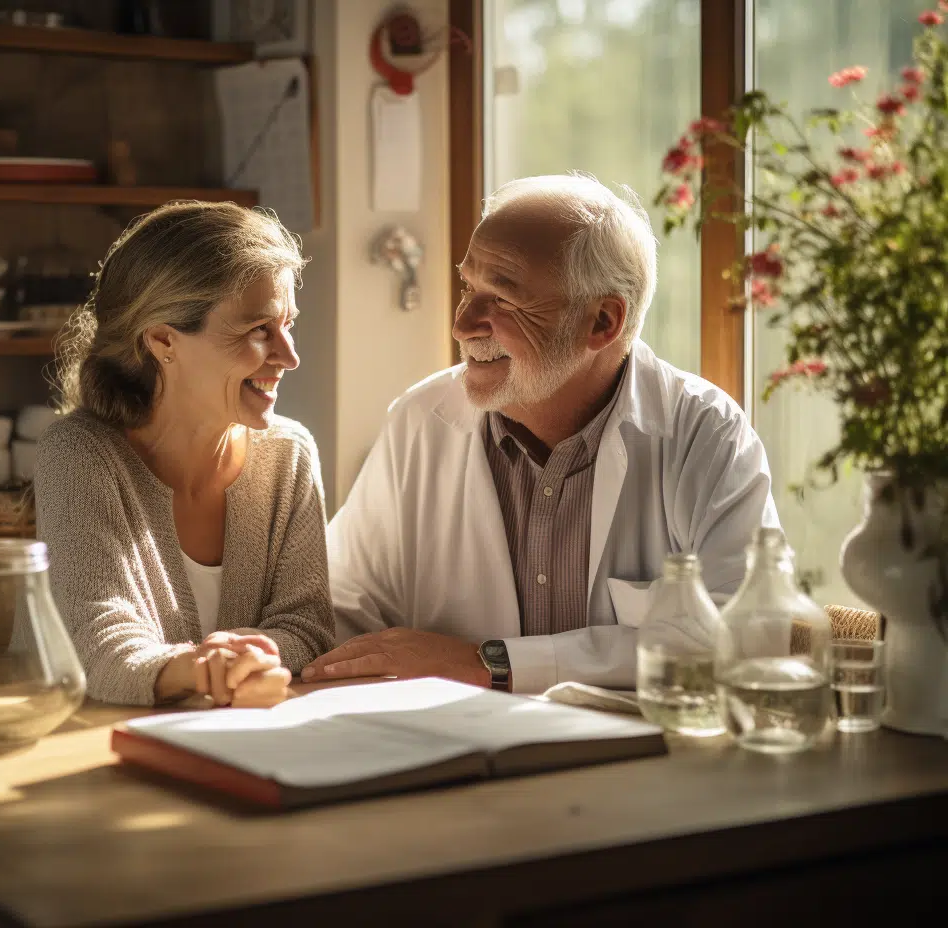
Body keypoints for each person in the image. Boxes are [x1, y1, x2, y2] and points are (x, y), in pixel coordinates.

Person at [305, 174, 779, 694]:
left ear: (601, 322)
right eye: (468, 288)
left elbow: (747, 634)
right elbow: (344, 606)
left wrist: (491, 664)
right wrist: (267, 646)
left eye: (503, 299)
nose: (463, 324)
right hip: (458, 757)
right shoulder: (421, 420)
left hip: (641, 765)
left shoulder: (705, 434)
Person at [34, 200, 335, 708]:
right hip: (87, 748)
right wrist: (203, 667)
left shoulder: (290, 454)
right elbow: (93, 644)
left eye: (288, 324)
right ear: (162, 341)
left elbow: (307, 628)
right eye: (258, 329)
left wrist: (237, 660)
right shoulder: (79, 453)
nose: (289, 356)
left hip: (227, 743)